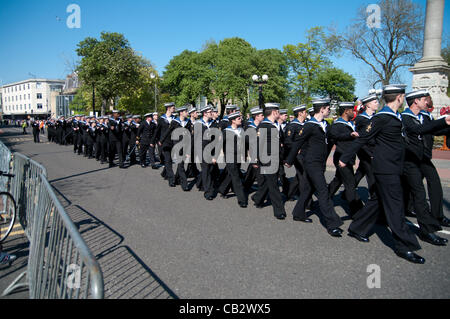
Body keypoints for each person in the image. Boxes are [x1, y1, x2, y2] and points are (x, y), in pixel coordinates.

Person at [339, 84, 425, 264]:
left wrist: (442, 123)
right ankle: (405, 246)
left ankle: (357, 228)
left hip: (393, 167)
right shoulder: (382, 118)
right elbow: (363, 137)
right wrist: (345, 158)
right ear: (400, 97)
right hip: (385, 169)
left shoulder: (395, 117)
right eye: (403, 96)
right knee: (395, 206)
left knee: (377, 200)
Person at [285, 99, 344, 236]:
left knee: (308, 189)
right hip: (311, 163)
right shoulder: (309, 125)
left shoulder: (324, 124)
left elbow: (335, 137)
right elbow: (297, 143)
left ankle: (298, 213)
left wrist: (350, 135)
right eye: (328, 108)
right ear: (322, 109)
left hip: (321, 162)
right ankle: (332, 224)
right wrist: (289, 160)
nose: (329, 110)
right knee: (323, 191)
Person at [401, 90, 450, 246]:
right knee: (418, 193)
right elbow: (418, 130)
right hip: (409, 160)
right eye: (424, 99)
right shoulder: (405, 117)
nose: (427, 101)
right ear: (416, 101)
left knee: (434, 183)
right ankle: (426, 231)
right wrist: (444, 121)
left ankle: (437, 215)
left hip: (423, 158)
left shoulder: (425, 116)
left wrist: (447, 126)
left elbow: (433, 129)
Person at [327, 102, 364, 217]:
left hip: (349, 158)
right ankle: (357, 211)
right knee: (350, 184)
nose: (353, 112)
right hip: (341, 157)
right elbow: (334, 136)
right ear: (345, 111)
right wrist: (350, 135)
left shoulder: (350, 123)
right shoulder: (337, 125)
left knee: (338, 179)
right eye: (351, 110)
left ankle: (325, 198)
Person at [251, 103, 287, 220]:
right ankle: (279, 211)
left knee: (268, 182)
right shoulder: (263, 126)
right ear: (274, 112)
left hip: (277, 159)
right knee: (273, 185)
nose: (280, 113)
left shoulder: (276, 125)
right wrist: (255, 159)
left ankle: (258, 198)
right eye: (278, 111)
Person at [219, 111, 248, 207]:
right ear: (233, 121)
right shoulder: (226, 131)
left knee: (231, 175)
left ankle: (223, 190)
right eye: (239, 118)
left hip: (239, 156)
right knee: (236, 177)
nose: (241, 120)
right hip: (230, 156)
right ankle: (242, 200)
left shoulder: (241, 130)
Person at [153, 103, 176, 185]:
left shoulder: (175, 118)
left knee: (169, 160)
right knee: (168, 159)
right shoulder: (161, 119)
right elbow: (157, 131)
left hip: (173, 141)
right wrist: (153, 141)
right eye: (173, 108)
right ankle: (171, 179)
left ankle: (164, 173)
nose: (174, 109)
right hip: (164, 142)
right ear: (168, 108)